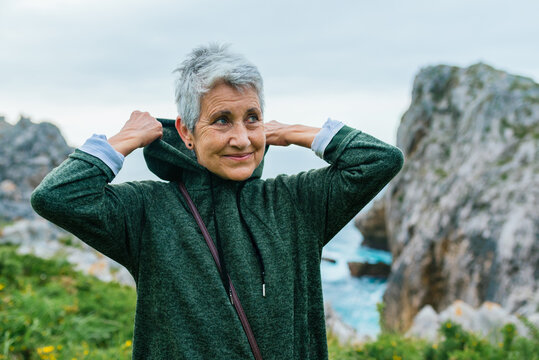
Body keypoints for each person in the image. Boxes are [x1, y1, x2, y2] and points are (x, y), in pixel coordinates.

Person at [31, 44, 404, 359]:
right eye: (222, 120)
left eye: (252, 118)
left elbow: (380, 160)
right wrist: (124, 139)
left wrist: (292, 132)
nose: (242, 139)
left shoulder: (295, 202)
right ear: (186, 132)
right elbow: (57, 196)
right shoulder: (147, 211)